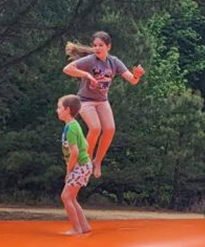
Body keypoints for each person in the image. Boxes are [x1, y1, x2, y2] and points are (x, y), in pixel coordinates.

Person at [62, 31, 144, 177]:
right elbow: (67, 69)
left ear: (108, 46)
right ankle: (84, 160)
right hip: (85, 101)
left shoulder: (114, 62)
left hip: (101, 101)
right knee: (95, 128)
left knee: (110, 129)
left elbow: (133, 80)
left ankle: (97, 161)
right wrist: (87, 75)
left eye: (101, 45)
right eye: (95, 45)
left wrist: (137, 74)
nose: (97, 48)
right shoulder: (89, 60)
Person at [57, 94, 93, 235]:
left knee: (65, 197)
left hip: (80, 166)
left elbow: (75, 152)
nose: (57, 110)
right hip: (83, 166)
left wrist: (69, 169)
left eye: (59, 108)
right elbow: (86, 144)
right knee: (71, 197)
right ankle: (84, 226)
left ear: (67, 110)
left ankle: (76, 228)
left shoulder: (71, 128)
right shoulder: (73, 126)